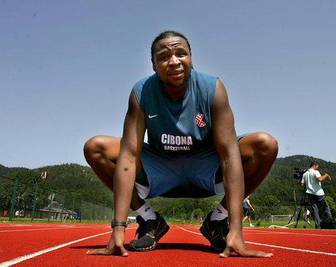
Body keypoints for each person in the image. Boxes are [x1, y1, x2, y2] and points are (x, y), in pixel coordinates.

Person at [83, 31, 278, 257]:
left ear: (191, 57)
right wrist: (118, 228)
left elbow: (228, 154)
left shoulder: (212, 88)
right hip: (160, 166)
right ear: (154, 65)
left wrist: (237, 230)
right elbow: (128, 156)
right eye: (164, 57)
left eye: (180, 53)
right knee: (95, 147)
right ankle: (149, 219)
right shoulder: (141, 92)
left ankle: (217, 221)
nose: (174, 61)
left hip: (205, 165)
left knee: (265, 144)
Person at [300, 161, 333, 229]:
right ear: (315, 165)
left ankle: (318, 226)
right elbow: (320, 179)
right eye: (317, 166)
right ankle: (330, 223)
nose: (317, 168)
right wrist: (326, 175)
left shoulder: (305, 174)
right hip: (318, 193)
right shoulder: (315, 171)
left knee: (315, 210)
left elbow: (302, 184)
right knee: (325, 208)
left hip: (309, 193)